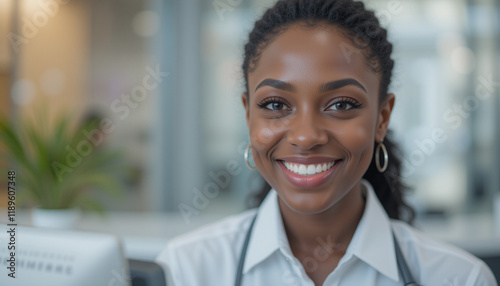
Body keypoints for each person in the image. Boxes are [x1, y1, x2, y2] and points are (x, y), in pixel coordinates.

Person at [156, 0, 498, 285]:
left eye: (342, 104)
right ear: (249, 117)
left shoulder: (459, 278)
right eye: (275, 105)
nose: (306, 136)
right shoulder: (187, 270)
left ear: (382, 118)